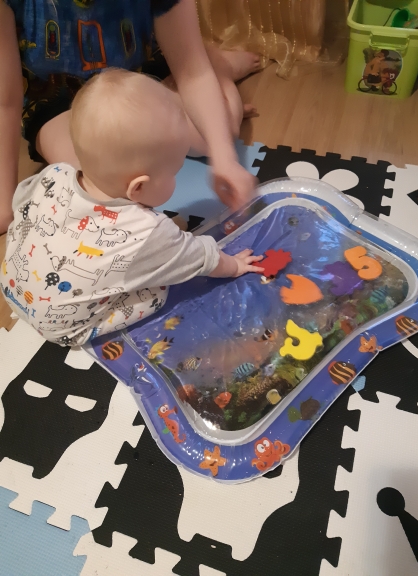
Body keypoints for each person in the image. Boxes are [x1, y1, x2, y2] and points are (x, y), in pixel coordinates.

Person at [0, 69, 264, 346]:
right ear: (137, 188)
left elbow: (22, 204)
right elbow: (199, 258)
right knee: (158, 291)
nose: (177, 177)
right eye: (174, 172)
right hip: (62, 328)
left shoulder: (54, 174)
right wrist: (234, 265)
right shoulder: (146, 231)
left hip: (11, 286)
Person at [0, 0, 261, 235]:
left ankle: (219, 65)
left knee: (219, 133)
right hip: (55, 97)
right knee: (97, 185)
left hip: (139, 75)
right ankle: (214, 64)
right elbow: (6, 101)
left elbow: (193, 72)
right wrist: (4, 203)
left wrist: (225, 158)